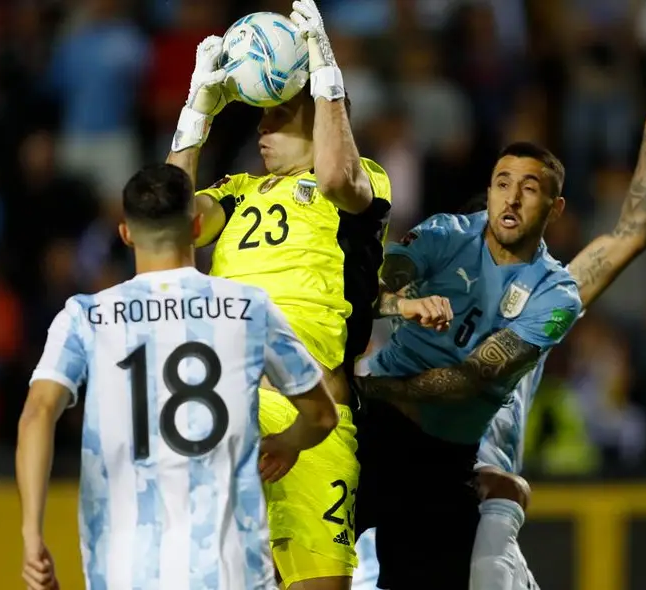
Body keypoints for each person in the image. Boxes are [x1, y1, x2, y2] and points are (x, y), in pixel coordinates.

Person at [350, 54, 646, 590]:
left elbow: (630, 233)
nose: (510, 203)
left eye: (529, 193)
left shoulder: (550, 292)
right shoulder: (442, 247)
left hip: (470, 478)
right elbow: (388, 281)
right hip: (412, 453)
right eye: (499, 190)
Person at [165, 2, 448, 588]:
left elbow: (338, 178)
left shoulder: (361, 183)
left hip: (320, 418)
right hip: (233, 396)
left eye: (278, 117)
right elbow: (164, 223)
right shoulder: (238, 191)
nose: (262, 131)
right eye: (260, 119)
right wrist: (196, 112)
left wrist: (327, 77)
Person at [15, 163, 341, 590]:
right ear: (198, 225)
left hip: (126, 568)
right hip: (230, 569)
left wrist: (31, 533)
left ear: (126, 234)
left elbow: (37, 414)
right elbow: (322, 416)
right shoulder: (249, 308)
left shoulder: (86, 316)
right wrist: (288, 443)